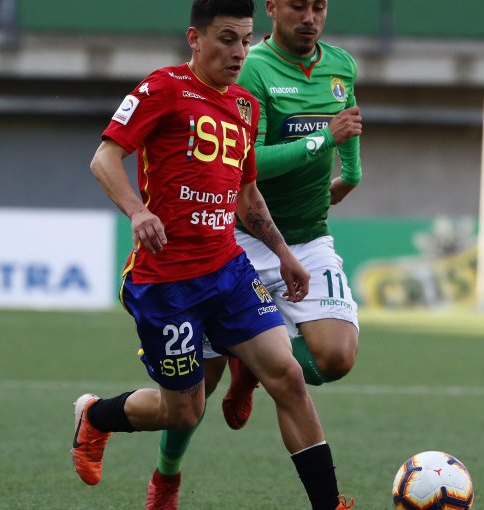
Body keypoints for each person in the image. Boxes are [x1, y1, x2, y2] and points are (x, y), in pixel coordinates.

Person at [71, 2, 353, 509]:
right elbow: (104, 157)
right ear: (194, 38)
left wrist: (283, 253)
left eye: (245, 40)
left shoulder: (244, 106)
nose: (239, 52)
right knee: (183, 411)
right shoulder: (162, 89)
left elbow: (247, 197)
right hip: (167, 283)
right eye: (226, 39)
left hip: (227, 271)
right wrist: (137, 211)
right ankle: (96, 416)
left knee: (288, 376)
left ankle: (329, 503)